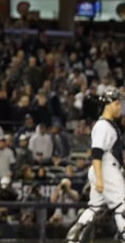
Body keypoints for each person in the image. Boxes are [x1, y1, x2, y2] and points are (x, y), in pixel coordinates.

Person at [66, 88, 125, 243]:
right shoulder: (103, 126)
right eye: (117, 104)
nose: (120, 107)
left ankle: (74, 238)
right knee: (122, 207)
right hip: (106, 169)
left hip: (105, 169)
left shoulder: (108, 125)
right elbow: (96, 153)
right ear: (108, 105)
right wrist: (99, 178)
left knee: (95, 207)